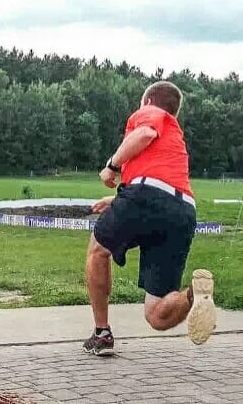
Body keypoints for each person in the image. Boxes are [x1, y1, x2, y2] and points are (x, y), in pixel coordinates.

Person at [83, 81, 216, 356]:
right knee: (157, 315)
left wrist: (111, 167)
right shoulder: (175, 135)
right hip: (182, 211)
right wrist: (119, 197)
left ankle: (102, 333)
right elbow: (163, 184)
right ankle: (194, 295)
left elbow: (143, 134)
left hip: (146, 197)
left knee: (98, 251)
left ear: (147, 102)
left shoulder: (151, 113)